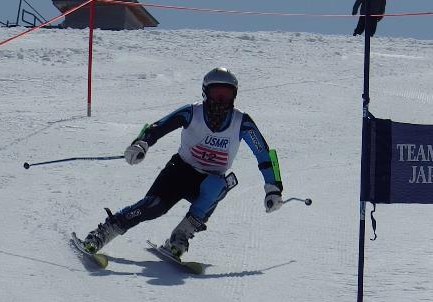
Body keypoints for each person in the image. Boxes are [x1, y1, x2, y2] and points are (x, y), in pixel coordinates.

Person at [81, 67, 284, 259]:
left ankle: (180, 236)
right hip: (179, 171)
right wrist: (141, 143)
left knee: (219, 184)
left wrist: (273, 188)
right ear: (205, 93)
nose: (221, 101)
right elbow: (159, 127)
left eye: (226, 95)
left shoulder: (242, 122)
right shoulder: (192, 112)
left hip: (209, 180)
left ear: (234, 96)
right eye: (216, 94)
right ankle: (105, 231)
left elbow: (264, 154)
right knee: (154, 206)